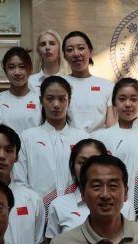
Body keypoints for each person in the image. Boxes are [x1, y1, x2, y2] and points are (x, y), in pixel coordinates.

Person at [15, 76, 90, 211]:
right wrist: (32, 208)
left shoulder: (83, 139)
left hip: (76, 210)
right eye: (50, 99)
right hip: (38, 210)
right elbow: (20, 182)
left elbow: (91, 178)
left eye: (62, 99)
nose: (56, 105)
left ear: (69, 101)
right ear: (41, 101)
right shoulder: (27, 138)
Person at [95, 78, 138, 216]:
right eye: (122, 99)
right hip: (113, 208)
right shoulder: (101, 138)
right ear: (114, 102)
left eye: (133, 99)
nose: (127, 104)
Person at [46, 138, 133, 244]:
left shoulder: (126, 206)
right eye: (82, 162)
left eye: (94, 161)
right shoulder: (59, 206)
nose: (88, 168)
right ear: (73, 167)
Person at [62, 31, 114, 133]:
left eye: (81, 48)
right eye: (70, 50)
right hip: (67, 141)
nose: (76, 54)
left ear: (90, 51)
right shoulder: (59, 84)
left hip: (99, 142)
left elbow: (111, 127)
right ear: (65, 56)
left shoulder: (107, 86)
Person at [0, 47, 41, 135]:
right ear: (5, 71)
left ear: (30, 69)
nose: (17, 72)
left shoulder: (40, 101)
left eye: (22, 67)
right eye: (11, 67)